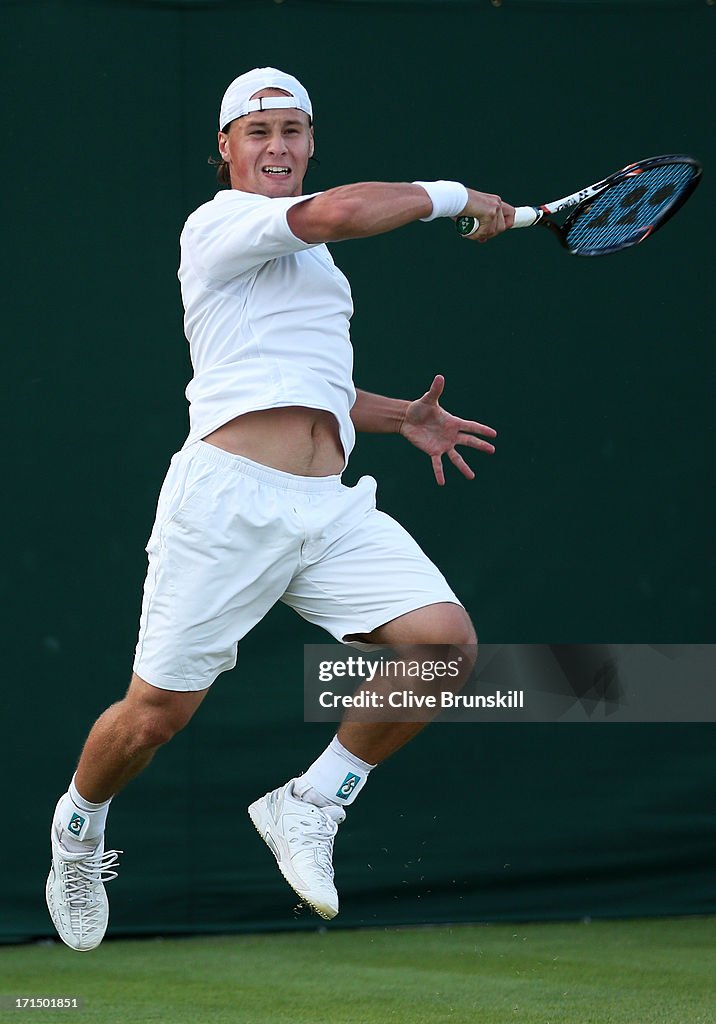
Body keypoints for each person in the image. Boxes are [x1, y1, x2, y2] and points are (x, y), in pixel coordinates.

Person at [45, 67, 514, 952]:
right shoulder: (222, 224)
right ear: (225, 150)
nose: (278, 147)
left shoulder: (318, 272)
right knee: (154, 718)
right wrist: (456, 197)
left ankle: (310, 803)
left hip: (326, 507)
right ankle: (78, 825)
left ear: (311, 143)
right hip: (226, 506)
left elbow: (310, 386)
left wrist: (396, 416)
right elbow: (337, 211)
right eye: (257, 133)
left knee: (444, 644)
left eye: (293, 131)